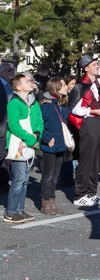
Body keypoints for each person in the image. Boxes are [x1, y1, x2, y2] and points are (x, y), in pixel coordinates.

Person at [68, 55, 100, 207]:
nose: (97, 66)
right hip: (88, 123)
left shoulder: (96, 84)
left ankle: (91, 193)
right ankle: (80, 194)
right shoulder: (80, 85)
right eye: (94, 64)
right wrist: (94, 111)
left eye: (97, 63)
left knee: (96, 160)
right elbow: (74, 108)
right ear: (86, 68)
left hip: (98, 122)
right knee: (86, 160)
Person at [4, 74, 43, 224]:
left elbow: (39, 120)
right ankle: (11, 211)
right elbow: (14, 125)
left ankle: (20, 209)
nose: (31, 82)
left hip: (31, 143)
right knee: (19, 179)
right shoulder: (14, 103)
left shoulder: (34, 103)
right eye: (27, 81)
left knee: (25, 179)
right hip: (19, 144)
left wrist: (37, 134)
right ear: (19, 87)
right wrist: (31, 139)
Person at [39, 77, 70, 215]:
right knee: (48, 175)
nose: (66, 87)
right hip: (49, 144)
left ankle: (52, 201)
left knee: (55, 175)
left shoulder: (62, 104)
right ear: (55, 88)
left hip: (60, 143)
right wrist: (46, 138)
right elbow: (39, 125)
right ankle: (45, 202)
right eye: (63, 85)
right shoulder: (45, 105)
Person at [0, 59, 16, 194]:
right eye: (9, 70)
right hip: (2, 126)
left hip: (10, 127)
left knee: (6, 157)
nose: (12, 72)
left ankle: (4, 184)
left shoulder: (12, 86)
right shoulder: (1, 85)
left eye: (13, 70)